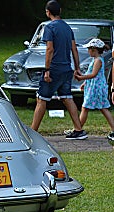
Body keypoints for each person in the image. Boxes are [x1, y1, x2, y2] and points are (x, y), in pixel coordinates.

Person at [30, 0, 87, 140]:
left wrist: (47, 69)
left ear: (48, 12)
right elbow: (74, 49)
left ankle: (33, 132)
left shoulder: (49, 28)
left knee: (41, 99)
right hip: (67, 67)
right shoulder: (67, 28)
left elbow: (50, 49)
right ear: (60, 11)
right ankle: (79, 129)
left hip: (54, 68)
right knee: (67, 97)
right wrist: (77, 68)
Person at [73, 38, 114, 140]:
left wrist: (81, 78)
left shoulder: (98, 61)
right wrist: (84, 83)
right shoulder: (94, 60)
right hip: (93, 87)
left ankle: (78, 130)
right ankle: (78, 129)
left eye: (89, 49)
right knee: (98, 108)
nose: (88, 51)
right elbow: (90, 74)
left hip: (96, 88)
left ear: (94, 50)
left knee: (87, 107)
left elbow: (93, 74)